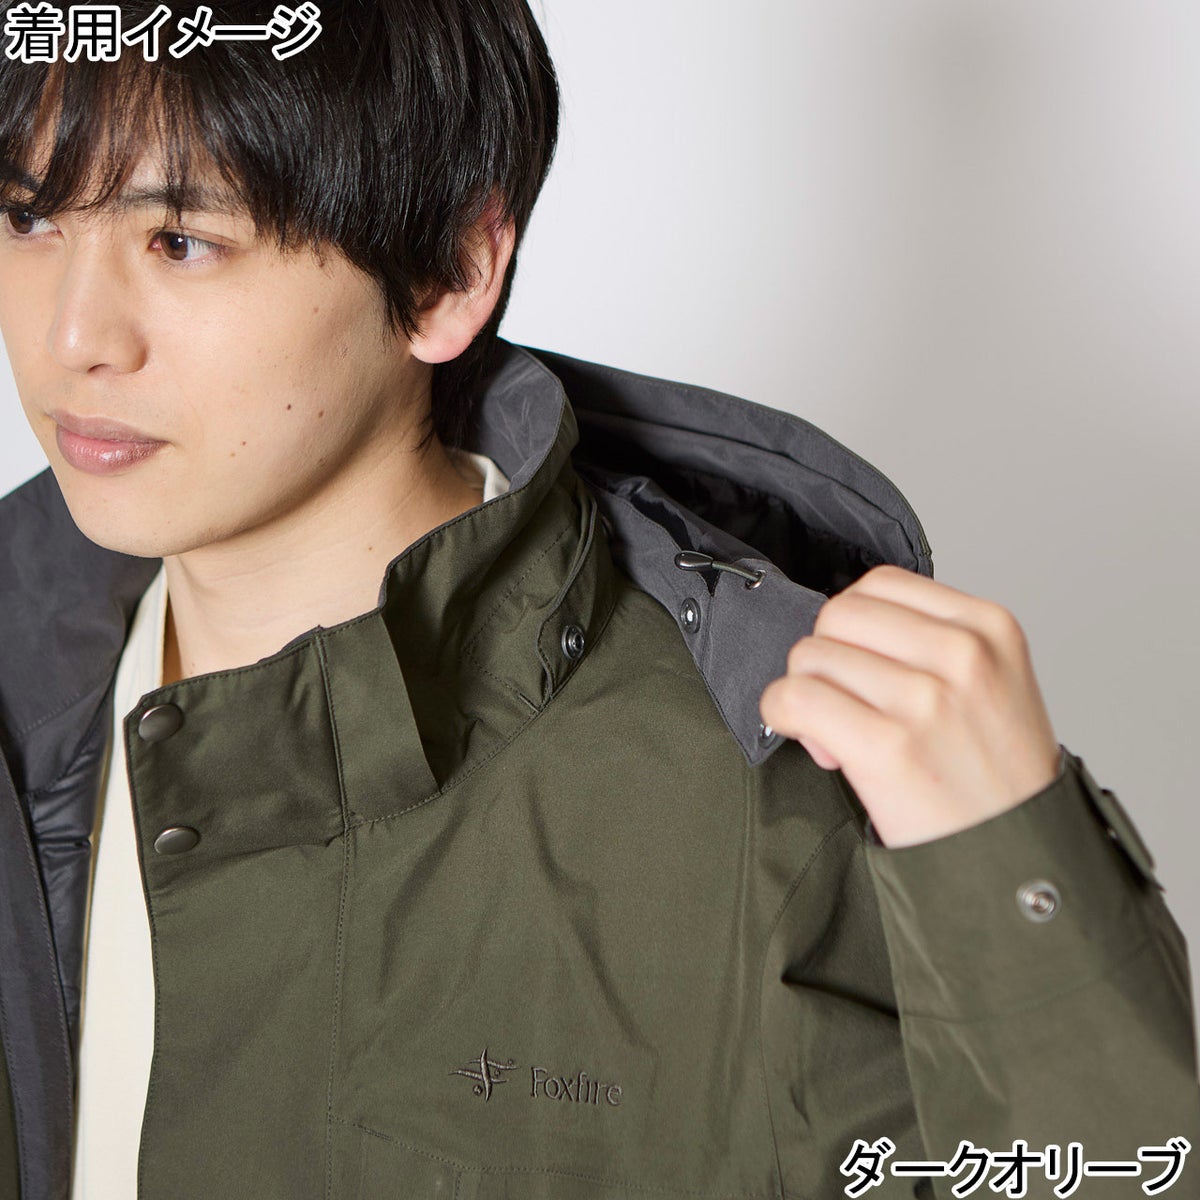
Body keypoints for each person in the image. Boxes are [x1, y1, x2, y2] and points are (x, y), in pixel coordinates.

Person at [0, 3, 1195, 1198]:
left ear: (450, 273)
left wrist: (1012, 879)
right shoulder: (24, 685)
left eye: (181, 241)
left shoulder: (763, 796)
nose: (72, 335)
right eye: (29, 216)